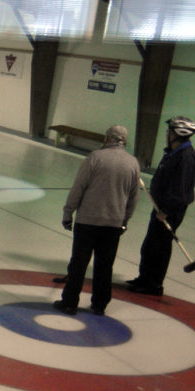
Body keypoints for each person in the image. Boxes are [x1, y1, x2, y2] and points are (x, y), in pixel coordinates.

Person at [54, 125, 140, 316]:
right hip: (113, 223)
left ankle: (69, 302)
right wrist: (125, 220)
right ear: (124, 141)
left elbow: (79, 188)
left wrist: (68, 213)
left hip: (88, 221)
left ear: (107, 138)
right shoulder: (133, 164)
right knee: (105, 266)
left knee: (79, 263)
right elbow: (134, 198)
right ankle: (100, 304)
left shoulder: (95, 158)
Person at [125, 116, 195, 296]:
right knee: (150, 245)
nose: (167, 133)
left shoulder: (185, 157)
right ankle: (144, 278)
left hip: (169, 210)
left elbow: (180, 190)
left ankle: (154, 284)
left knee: (159, 247)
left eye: (169, 130)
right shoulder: (173, 152)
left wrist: (167, 211)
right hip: (160, 207)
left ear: (178, 134)